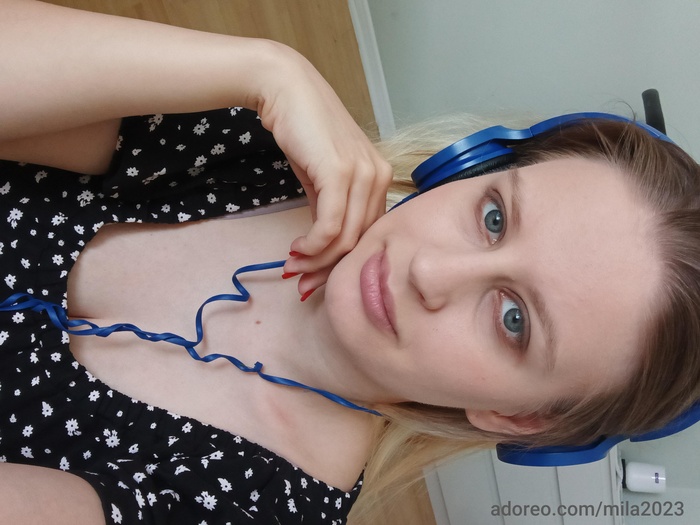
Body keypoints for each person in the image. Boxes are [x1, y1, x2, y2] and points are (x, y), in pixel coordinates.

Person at [1, 1, 700, 524]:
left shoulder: (256, 505)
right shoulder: (263, 158)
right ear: (469, 165)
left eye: (513, 320)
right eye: (493, 217)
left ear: (517, 417)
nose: (432, 273)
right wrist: (265, 68)